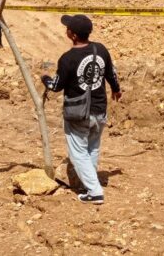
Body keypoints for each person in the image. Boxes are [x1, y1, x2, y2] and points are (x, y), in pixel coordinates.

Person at [41, 14, 121, 205]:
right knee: (92, 147)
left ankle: (94, 191)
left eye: (68, 28)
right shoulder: (100, 49)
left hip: (78, 113)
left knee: (78, 152)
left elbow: (56, 86)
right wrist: (116, 89)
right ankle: (89, 185)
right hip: (100, 109)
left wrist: (45, 79)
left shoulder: (67, 59)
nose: (66, 30)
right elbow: (111, 73)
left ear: (73, 35)